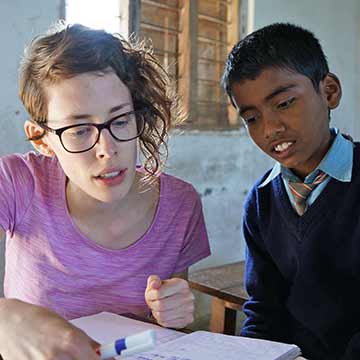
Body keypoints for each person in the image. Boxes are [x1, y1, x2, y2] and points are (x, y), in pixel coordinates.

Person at [0, 23, 210, 359]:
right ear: (42, 138)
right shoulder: (16, 182)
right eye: (80, 130)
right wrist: (5, 319)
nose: (107, 149)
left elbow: (169, 329)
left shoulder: (180, 205)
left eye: (121, 120)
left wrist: (173, 312)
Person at [222, 22, 360, 360]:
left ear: (329, 92)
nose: (270, 128)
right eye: (251, 118)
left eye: (283, 103)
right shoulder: (262, 201)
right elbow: (264, 308)